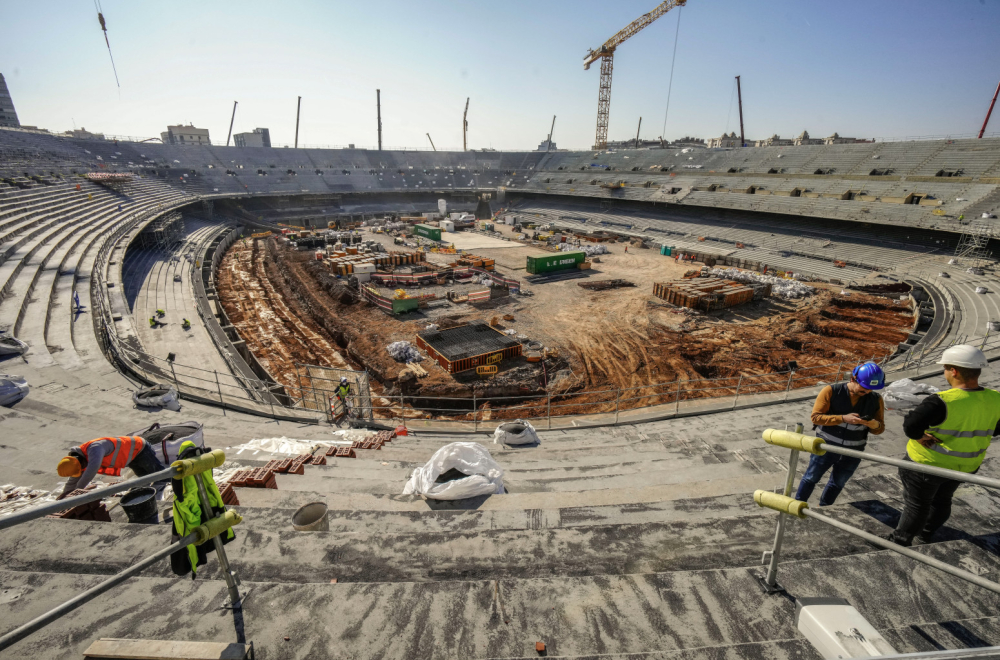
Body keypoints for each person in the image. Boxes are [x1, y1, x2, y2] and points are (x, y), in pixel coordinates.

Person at [887, 345, 1000, 546]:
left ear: (954, 371)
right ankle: (926, 535)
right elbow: (996, 429)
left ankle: (900, 540)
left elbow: (911, 425)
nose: (945, 371)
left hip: (927, 464)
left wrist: (920, 437)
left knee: (917, 505)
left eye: (946, 368)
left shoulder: (942, 401)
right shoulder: (995, 399)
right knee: (942, 501)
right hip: (965, 466)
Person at [795, 362, 886, 505]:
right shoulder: (831, 391)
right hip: (826, 447)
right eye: (863, 389)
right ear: (852, 379)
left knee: (837, 483)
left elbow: (880, 428)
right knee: (811, 478)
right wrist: (843, 418)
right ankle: (798, 505)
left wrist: (874, 425)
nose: (867, 393)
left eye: (870, 390)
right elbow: (816, 417)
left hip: (853, 452)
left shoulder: (876, 399)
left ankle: (825, 508)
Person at [56, 436, 167, 499]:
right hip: (130, 457)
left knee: (160, 475)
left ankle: (176, 486)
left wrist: (77, 492)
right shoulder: (80, 460)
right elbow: (74, 479)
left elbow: (91, 471)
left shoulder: (94, 449)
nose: (82, 470)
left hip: (140, 449)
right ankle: (149, 495)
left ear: (78, 461)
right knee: (144, 477)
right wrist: (65, 495)